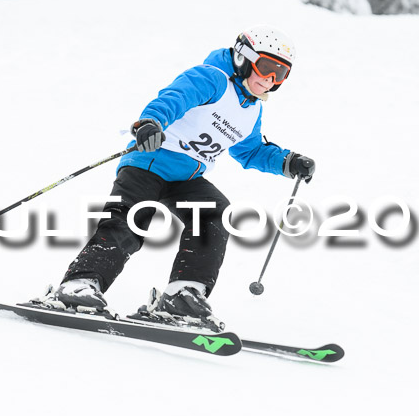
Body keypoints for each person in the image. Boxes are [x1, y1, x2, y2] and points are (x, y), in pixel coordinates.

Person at [48, 25, 316, 325]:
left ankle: (182, 295)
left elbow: (250, 151)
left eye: (281, 74)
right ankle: (79, 285)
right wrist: (150, 123)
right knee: (128, 222)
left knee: (215, 214)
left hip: (186, 178)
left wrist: (287, 162)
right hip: (149, 161)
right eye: (267, 67)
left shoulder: (250, 109)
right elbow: (173, 99)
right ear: (243, 57)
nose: (270, 80)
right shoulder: (211, 78)